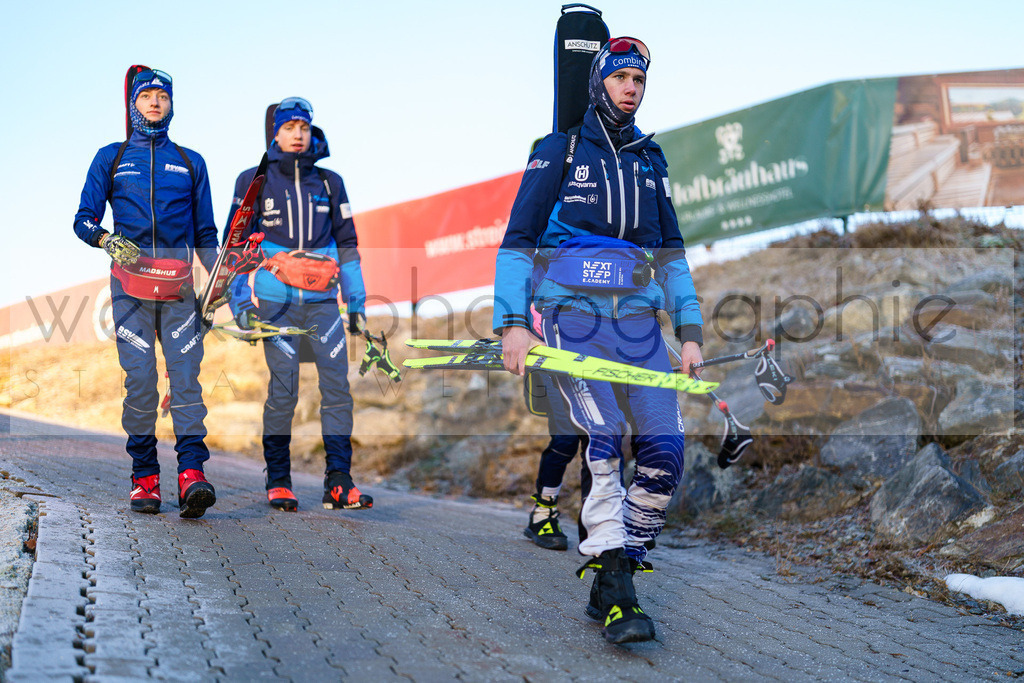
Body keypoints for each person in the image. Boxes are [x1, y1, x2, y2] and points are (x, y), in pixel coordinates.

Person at [493, 38, 703, 644]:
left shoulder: (648, 160)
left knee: (665, 453)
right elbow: (518, 240)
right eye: (622, 78)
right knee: (604, 437)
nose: (632, 88)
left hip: (641, 327)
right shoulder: (557, 152)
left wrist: (688, 335)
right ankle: (617, 592)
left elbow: (673, 257)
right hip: (573, 319)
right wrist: (512, 322)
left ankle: (620, 562)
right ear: (600, 84)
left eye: (640, 79)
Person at [73, 68, 219, 518]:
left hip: (179, 293)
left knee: (186, 380)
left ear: (172, 105)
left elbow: (206, 234)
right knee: (140, 381)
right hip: (130, 290)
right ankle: (145, 479)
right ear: (133, 104)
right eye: (147, 96)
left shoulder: (191, 162)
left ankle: (192, 474)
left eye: (163, 97)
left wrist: (221, 282)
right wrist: (106, 240)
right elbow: (83, 219)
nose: (155, 103)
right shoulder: (111, 157)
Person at [226, 97, 371, 513]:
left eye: (303, 127)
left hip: (325, 303)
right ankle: (279, 479)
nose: (297, 134)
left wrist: (356, 301)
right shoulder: (253, 181)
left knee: (337, 389)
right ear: (275, 132)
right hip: (276, 303)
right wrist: (241, 303)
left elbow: (348, 245)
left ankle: (339, 482)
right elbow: (235, 247)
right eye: (289, 127)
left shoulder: (330, 182)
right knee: (284, 389)